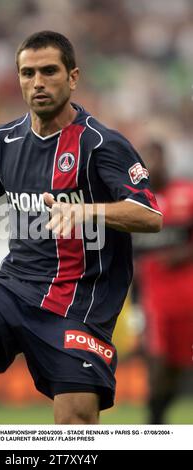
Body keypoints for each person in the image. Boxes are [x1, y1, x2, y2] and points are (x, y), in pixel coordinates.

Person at [0, 31, 162, 424]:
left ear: (73, 77)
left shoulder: (101, 144)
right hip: (14, 288)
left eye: (49, 71)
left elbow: (150, 216)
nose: (37, 82)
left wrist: (87, 212)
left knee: (74, 429)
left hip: (79, 308)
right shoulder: (3, 143)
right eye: (27, 73)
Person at [133, 141, 193, 424]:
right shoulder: (133, 203)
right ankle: (153, 426)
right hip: (154, 300)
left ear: (165, 159)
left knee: (179, 369)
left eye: (155, 158)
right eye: (145, 161)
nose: (150, 166)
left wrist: (183, 253)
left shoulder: (187, 194)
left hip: (188, 295)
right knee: (156, 365)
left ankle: (159, 416)